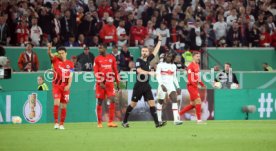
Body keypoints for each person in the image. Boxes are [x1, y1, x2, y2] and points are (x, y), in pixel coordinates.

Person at [122, 33, 166, 128]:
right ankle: (124, 121)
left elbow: (156, 50)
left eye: (146, 51)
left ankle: (157, 123)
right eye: (143, 51)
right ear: (141, 52)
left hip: (146, 86)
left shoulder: (148, 59)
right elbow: (139, 71)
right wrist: (150, 72)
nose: (145, 53)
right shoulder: (138, 60)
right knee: (133, 105)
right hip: (138, 86)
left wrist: (159, 41)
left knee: (152, 104)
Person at [47, 43, 74, 130]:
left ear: (66, 53)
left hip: (65, 87)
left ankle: (62, 124)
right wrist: (49, 49)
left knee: (64, 106)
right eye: (60, 53)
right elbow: (50, 55)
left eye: (63, 53)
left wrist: (69, 85)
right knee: (56, 103)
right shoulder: (55, 60)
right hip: (56, 86)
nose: (61, 54)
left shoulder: (70, 64)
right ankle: (56, 123)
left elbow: (71, 75)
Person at [93, 44, 120, 128]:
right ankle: (99, 123)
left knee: (113, 100)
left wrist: (118, 82)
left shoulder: (112, 58)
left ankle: (110, 122)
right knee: (100, 101)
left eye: (100, 48)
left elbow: (115, 71)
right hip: (100, 84)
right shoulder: (97, 59)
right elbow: (96, 72)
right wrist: (100, 81)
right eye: (98, 48)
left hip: (110, 82)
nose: (99, 49)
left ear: (105, 48)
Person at [179, 52, 206, 124]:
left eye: (199, 56)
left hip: (194, 86)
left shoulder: (197, 65)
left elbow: (197, 77)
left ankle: (178, 114)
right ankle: (199, 120)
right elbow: (190, 79)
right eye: (197, 56)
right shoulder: (190, 66)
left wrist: (202, 84)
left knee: (193, 104)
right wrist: (196, 85)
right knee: (199, 101)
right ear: (193, 57)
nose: (198, 58)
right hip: (191, 86)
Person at [156, 52, 182, 125]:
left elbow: (174, 77)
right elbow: (158, 75)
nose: (168, 58)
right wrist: (161, 85)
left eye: (170, 57)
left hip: (171, 85)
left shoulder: (173, 66)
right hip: (162, 85)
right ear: (165, 57)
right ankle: (159, 119)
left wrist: (178, 86)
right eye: (167, 56)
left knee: (174, 99)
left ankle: (176, 120)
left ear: (172, 58)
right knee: (160, 101)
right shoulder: (160, 65)